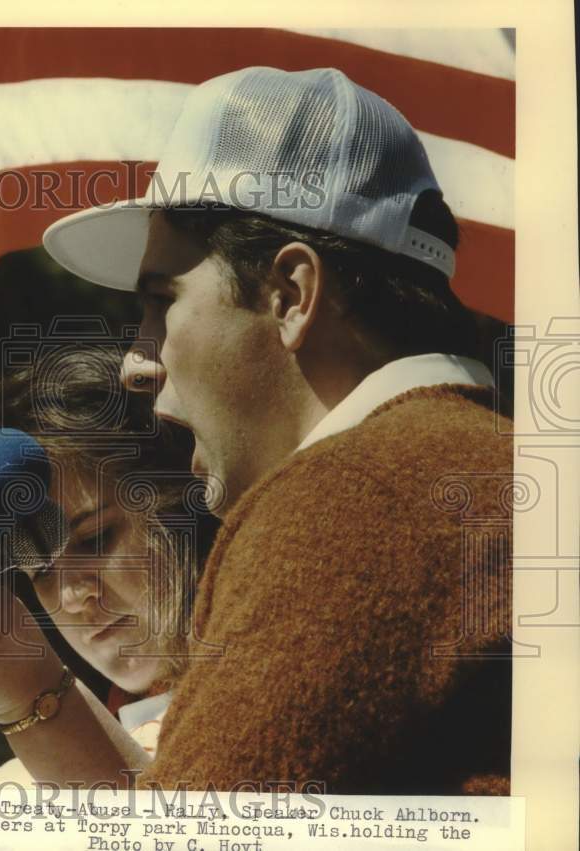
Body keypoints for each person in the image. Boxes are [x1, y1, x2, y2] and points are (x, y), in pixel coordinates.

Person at [40, 66, 514, 794]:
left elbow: (188, 836)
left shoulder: (352, 498)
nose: (137, 361)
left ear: (291, 293)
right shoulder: (485, 463)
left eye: (163, 302)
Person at [0, 346, 217, 782]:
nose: (71, 596)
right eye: (39, 569)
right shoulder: (24, 778)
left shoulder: (285, 660)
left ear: (188, 501)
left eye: (95, 537)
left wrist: (35, 700)